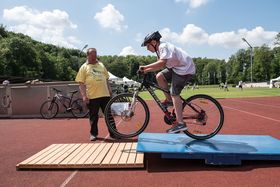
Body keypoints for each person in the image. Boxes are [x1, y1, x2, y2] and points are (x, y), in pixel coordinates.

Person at [139, 31, 196, 133]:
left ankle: (181, 124)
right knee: (159, 76)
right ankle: (169, 101)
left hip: (185, 69)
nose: (147, 49)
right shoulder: (160, 50)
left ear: (154, 42)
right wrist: (146, 70)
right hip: (177, 68)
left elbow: (161, 64)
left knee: (175, 94)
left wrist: (145, 67)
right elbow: (159, 65)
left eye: (148, 46)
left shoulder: (163, 46)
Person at [75, 48, 116, 141]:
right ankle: (93, 134)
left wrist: (109, 90)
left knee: (108, 115)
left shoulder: (101, 65)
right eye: (92, 56)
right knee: (93, 116)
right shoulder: (83, 67)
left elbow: (106, 79)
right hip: (92, 96)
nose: (94, 58)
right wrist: (84, 96)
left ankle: (114, 133)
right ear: (88, 56)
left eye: (95, 55)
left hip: (105, 94)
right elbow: (80, 83)